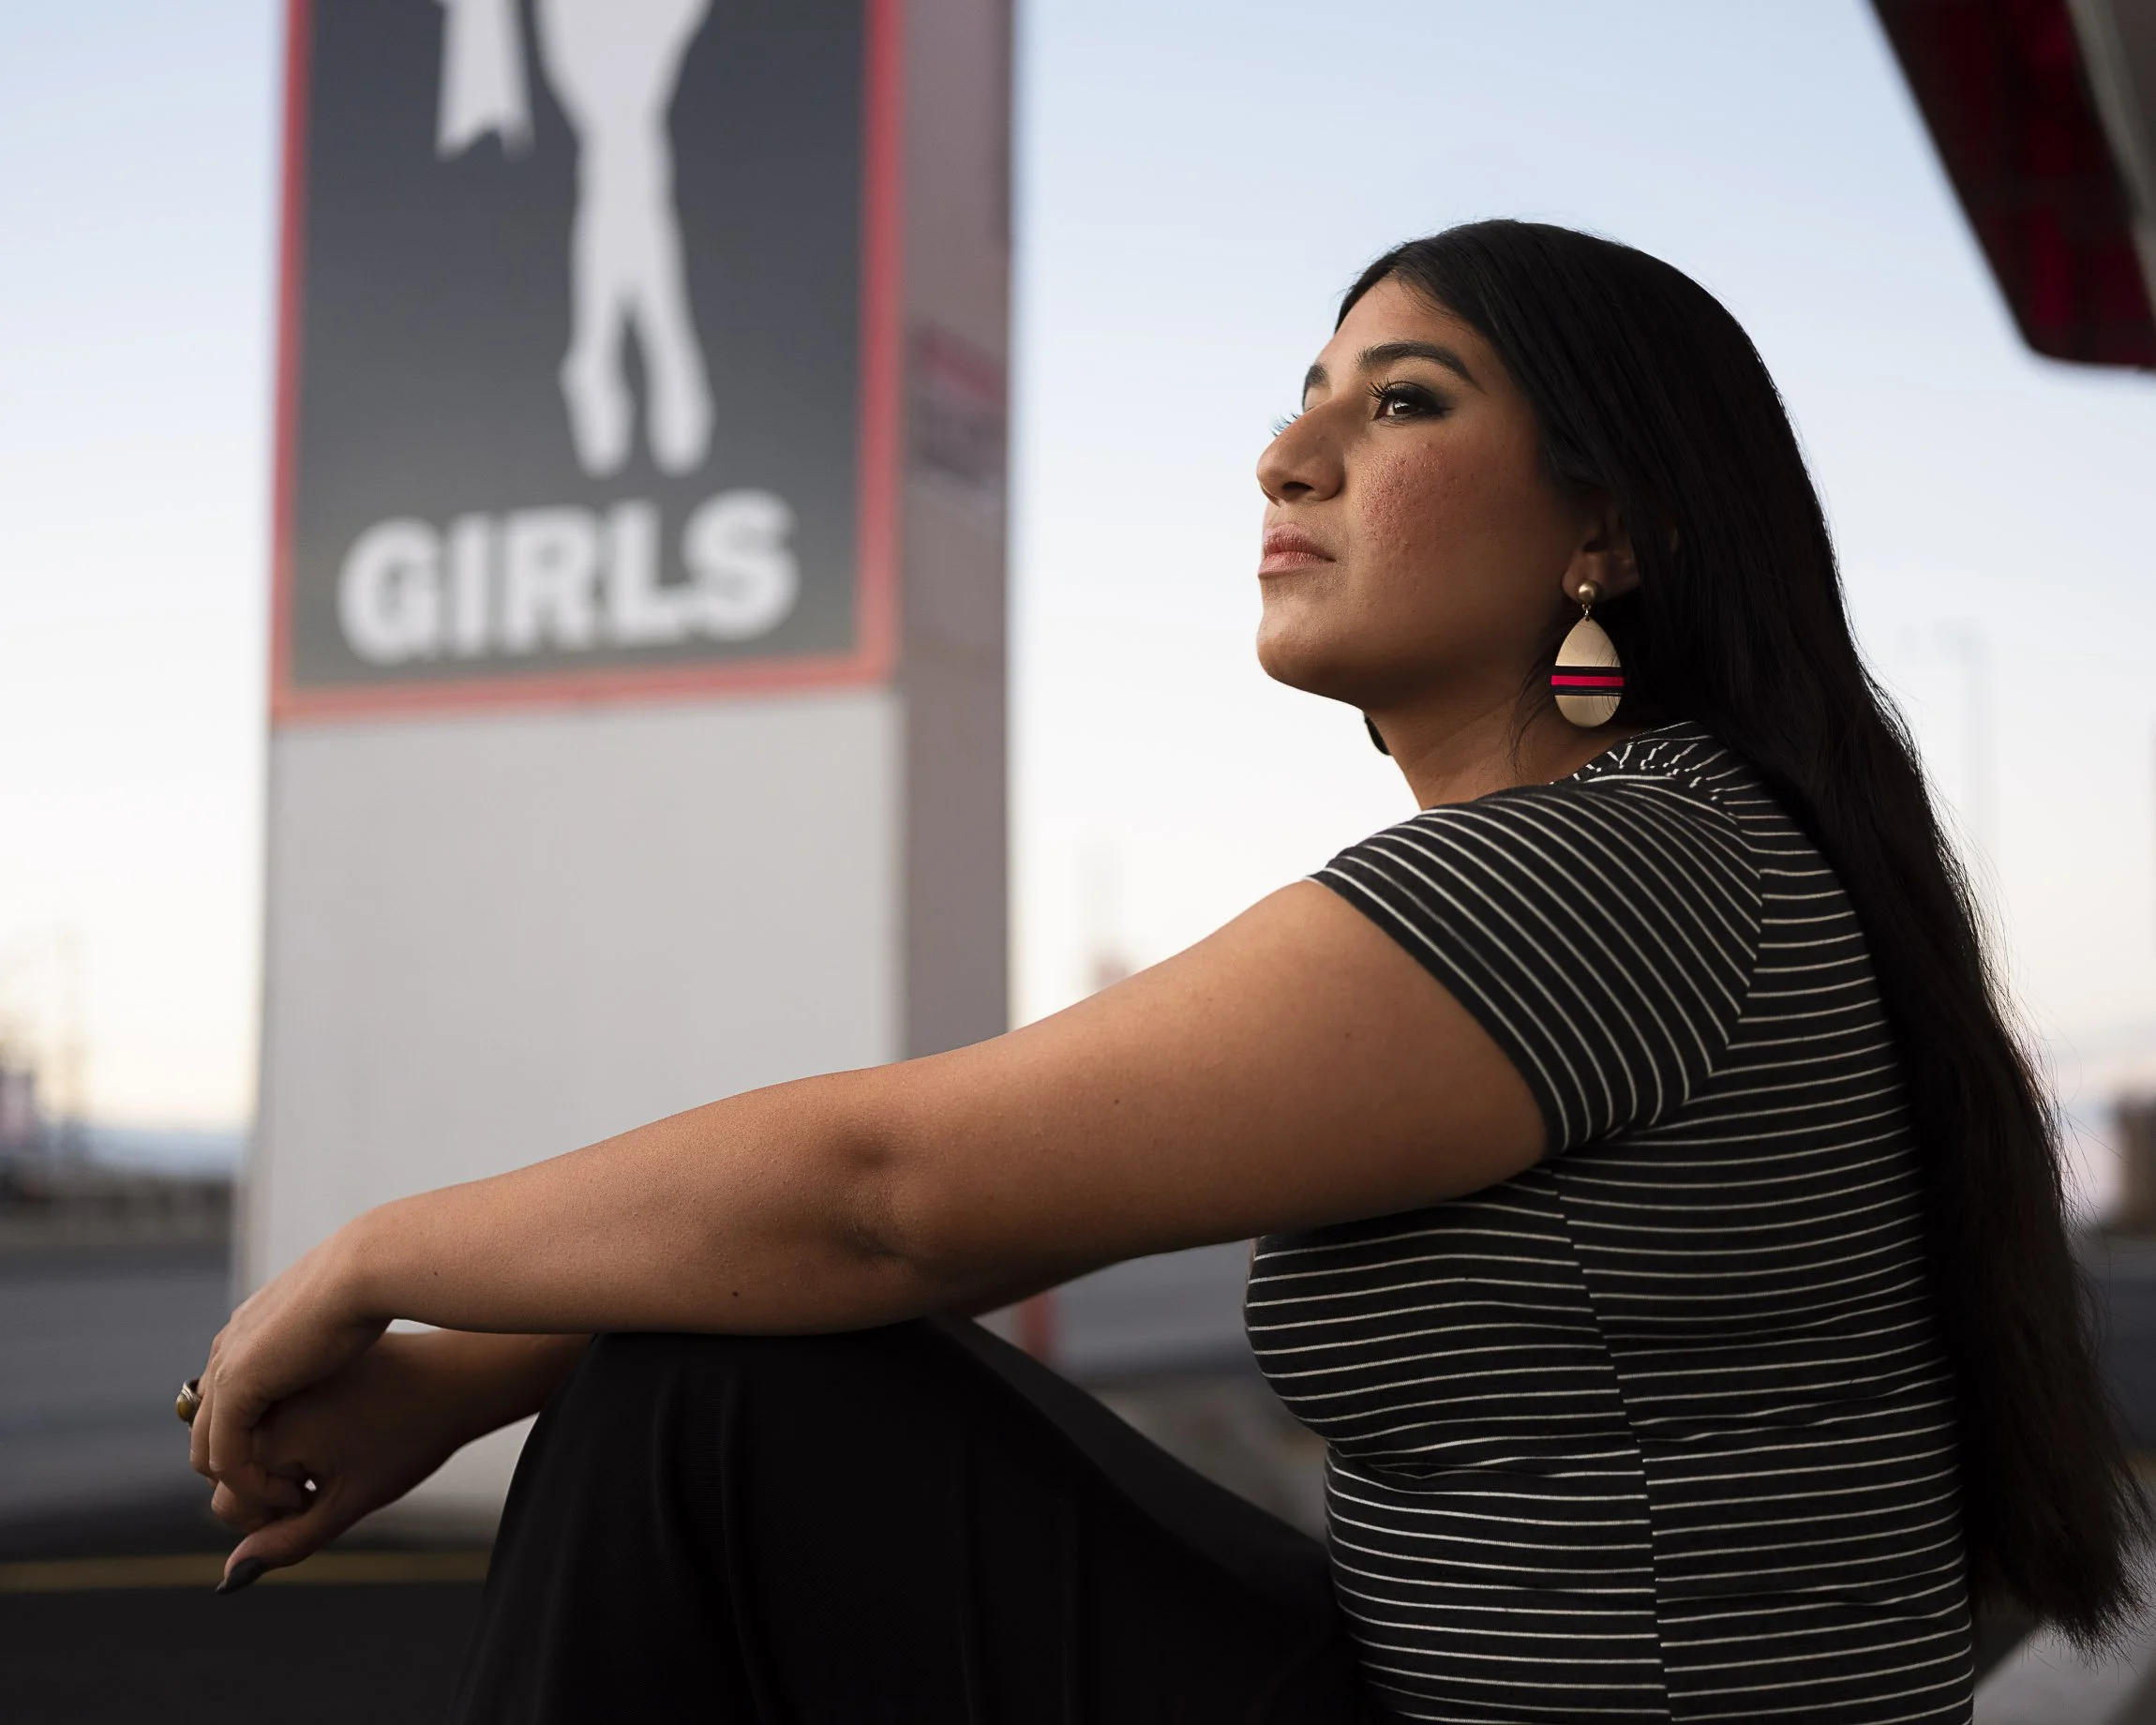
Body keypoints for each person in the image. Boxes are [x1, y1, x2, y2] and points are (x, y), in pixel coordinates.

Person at [187, 221, 2142, 1723]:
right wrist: (470, 1374)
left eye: (1402, 402)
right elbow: (955, 1223)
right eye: (1310, 388)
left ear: (1607, 530)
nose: (1284, 452)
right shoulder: (1671, 845)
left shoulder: (1605, 872)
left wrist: (374, 1256)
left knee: (706, 1409)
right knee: (701, 1362)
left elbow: (888, 1195)